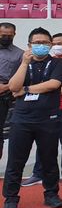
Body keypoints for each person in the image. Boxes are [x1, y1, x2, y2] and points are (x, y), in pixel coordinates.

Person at [2, 27, 62, 208]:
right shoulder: (21, 62)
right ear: (29, 45)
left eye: (46, 43)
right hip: (22, 120)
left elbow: (53, 84)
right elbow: (13, 87)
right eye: (37, 43)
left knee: (49, 159)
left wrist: (27, 89)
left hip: (48, 119)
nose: (41, 46)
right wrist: (24, 63)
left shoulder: (57, 63)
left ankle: (51, 194)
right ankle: (11, 199)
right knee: (16, 161)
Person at [22, 33, 62, 188]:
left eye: (59, 43)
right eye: (53, 43)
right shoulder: (48, 62)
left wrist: (50, 90)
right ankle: (37, 173)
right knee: (43, 142)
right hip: (44, 108)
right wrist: (46, 90)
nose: (55, 46)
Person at [0, 22, 24, 160]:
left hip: (7, 95)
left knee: (4, 133)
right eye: (3, 35)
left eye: (9, 36)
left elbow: (22, 76)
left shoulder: (19, 54)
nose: (6, 38)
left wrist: (6, 87)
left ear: (14, 35)